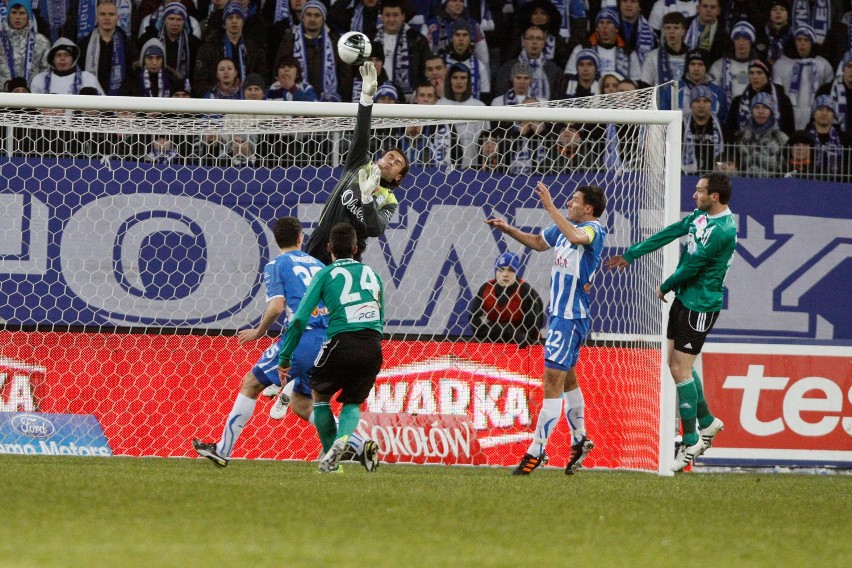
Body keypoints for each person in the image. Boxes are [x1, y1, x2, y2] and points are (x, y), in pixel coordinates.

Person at [605, 173, 731, 472]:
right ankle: (708, 423)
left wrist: (666, 285)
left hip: (701, 305)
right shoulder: (701, 217)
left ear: (715, 196)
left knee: (680, 368)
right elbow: (672, 231)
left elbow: (693, 265)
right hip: (686, 299)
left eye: (700, 191)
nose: (694, 196)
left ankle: (690, 441)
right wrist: (632, 253)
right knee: (675, 365)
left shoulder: (723, 230)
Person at [486, 181, 607, 476]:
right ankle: (579, 440)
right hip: (560, 317)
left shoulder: (593, 230)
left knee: (551, 384)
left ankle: (537, 450)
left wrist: (550, 207)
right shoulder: (564, 231)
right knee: (567, 381)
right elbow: (539, 243)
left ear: (588, 208)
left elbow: (579, 237)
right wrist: (509, 230)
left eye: (574, 200)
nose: (569, 202)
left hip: (569, 317)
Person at [277, 222, 385, 474]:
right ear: (356, 248)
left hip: (340, 341)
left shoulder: (325, 274)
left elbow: (300, 319)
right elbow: (381, 317)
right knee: (352, 404)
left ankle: (331, 457)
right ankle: (344, 439)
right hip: (372, 345)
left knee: (320, 397)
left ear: (328, 248)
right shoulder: (373, 274)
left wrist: (285, 356)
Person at [303, 61, 409, 265]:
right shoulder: (360, 164)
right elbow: (362, 133)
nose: (391, 161)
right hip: (319, 244)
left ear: (398, 176)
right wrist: (366, 99)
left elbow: (375, 229)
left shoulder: (389, 201)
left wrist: (367, 198)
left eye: (397, 163)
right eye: (389, 156)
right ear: (380, 158)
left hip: (348, 258)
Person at [470, 252, 543, 348]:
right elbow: (475, 323)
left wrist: (495, 328)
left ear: (517, 273)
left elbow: (531, 329)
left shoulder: (526, 292)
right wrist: (507, 330)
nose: (505, 274)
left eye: (511, 270)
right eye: (501, 270)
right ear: (495, 271)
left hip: (523, 348)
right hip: (492, 346)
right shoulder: (485, 289)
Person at [78, 0, 138, 96]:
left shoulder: (127, 45)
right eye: (102, 14)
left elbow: (132, 77)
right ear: (96, 18)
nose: (107, 18)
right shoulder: (84, 44)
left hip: (119, 100)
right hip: (91, 100)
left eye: (111, 14)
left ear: (117, 18)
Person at [0, 0, 50, 88]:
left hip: (32, 96)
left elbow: (46, 72)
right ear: (8, 15)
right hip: (4, 96)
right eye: (14, 12)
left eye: (22, 13)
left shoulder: (41, 42)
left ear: (28, 16)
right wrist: (6, 86)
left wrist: (34, 88)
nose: (17, 17)